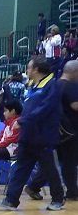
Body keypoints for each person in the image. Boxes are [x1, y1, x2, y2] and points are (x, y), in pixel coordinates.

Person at [0, 55, 65, 211]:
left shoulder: (52, 86)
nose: (27, 70)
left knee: (50, 169)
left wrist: (22, 121)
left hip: (44, 137)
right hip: (28, 136)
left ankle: (58, 199)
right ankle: (11, 200)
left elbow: (45, 109)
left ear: (36, 69)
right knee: (20, 168)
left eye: (29, 67)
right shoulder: (32, 85)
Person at [23, 59, 78, 201]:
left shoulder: (54, 84)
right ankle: (71, 192)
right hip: (69, 132)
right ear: (74, 72)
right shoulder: (70, 86)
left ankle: (34, 186)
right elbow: (75, 106)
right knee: (68, 162)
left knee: (50, 163)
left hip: (54, 131)